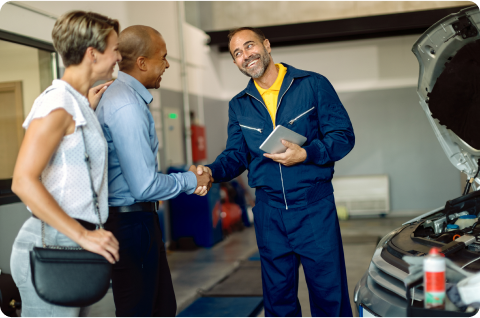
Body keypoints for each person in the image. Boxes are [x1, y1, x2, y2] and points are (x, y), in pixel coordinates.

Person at [196, 27, 355, 318]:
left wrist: (307, 153)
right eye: (237, 53)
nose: (246, 55)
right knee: (278, 301)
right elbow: (235, 156)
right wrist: (211, 171)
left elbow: (343, 136)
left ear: (266, 45)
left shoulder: (312, 85)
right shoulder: (239, 105)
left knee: (329, 297)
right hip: (269, 213)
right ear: (234, 63)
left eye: (250, 46)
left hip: (314, 207)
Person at [96, 25, 213, 317]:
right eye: (163, 57)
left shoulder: (123, 98)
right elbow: (144, 186)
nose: (168, 64)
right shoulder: (126, 105)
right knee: (142, 311)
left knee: (160, 308)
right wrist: (192, 180)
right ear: (142, 62)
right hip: (132, 224)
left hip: (135, 221)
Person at [10, 11, 121, 317]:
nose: (118, 57)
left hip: (72, 239)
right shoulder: (58, 104)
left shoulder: (75, 103)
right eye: (115, 49)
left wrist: (87, 106)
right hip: (55, 243)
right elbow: (23, 180)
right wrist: (83, 235)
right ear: (92, 53)